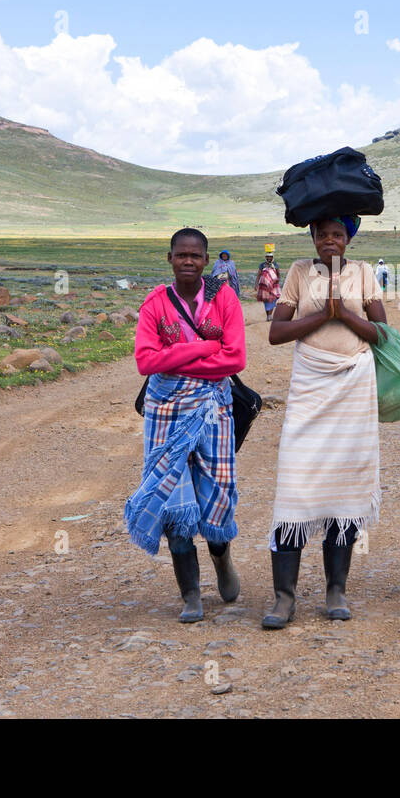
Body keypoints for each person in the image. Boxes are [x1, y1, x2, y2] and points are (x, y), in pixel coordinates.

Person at [263, 215, 387, 628]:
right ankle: (284, 598)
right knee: (294, 485)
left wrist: (344, 314)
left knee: (345, 487)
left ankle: (336, 589)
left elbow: (382, 333)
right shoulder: (299, 272)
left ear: (348, 238)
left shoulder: (364, 273)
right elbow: (276, 332)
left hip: (353, 386)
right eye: (322, 234)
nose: (329, 241)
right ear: (313, 237)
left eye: (337, 234)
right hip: (310, 388)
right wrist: (323, 315)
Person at [126, 228, 247, 623]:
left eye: (196, 255)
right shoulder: (155, 303)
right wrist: (202, 348)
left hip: (214, 408)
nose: (189, 261)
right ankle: (191, 595)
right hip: (167, 407)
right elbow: (146, 360)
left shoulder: (223, 297)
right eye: (182, 255)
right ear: (170, 258)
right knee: (171, 497)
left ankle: (222, 556)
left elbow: (236, 359)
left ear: (206, 258)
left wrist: (174, 356)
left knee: (216, 493)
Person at [256, 246, 281, 322]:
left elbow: (278, 274)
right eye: (267, 257)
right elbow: (259, 275)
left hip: (274, 285)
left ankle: (270, 316)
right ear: (265, 257)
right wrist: (256, 284)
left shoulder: (275, 265)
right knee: (266, 300)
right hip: (264, 287)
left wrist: (277, 281)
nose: (268, 258)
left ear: (273, 257)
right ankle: (268, 316)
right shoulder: (262, 265)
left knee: (273, 299)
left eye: (270, 257)